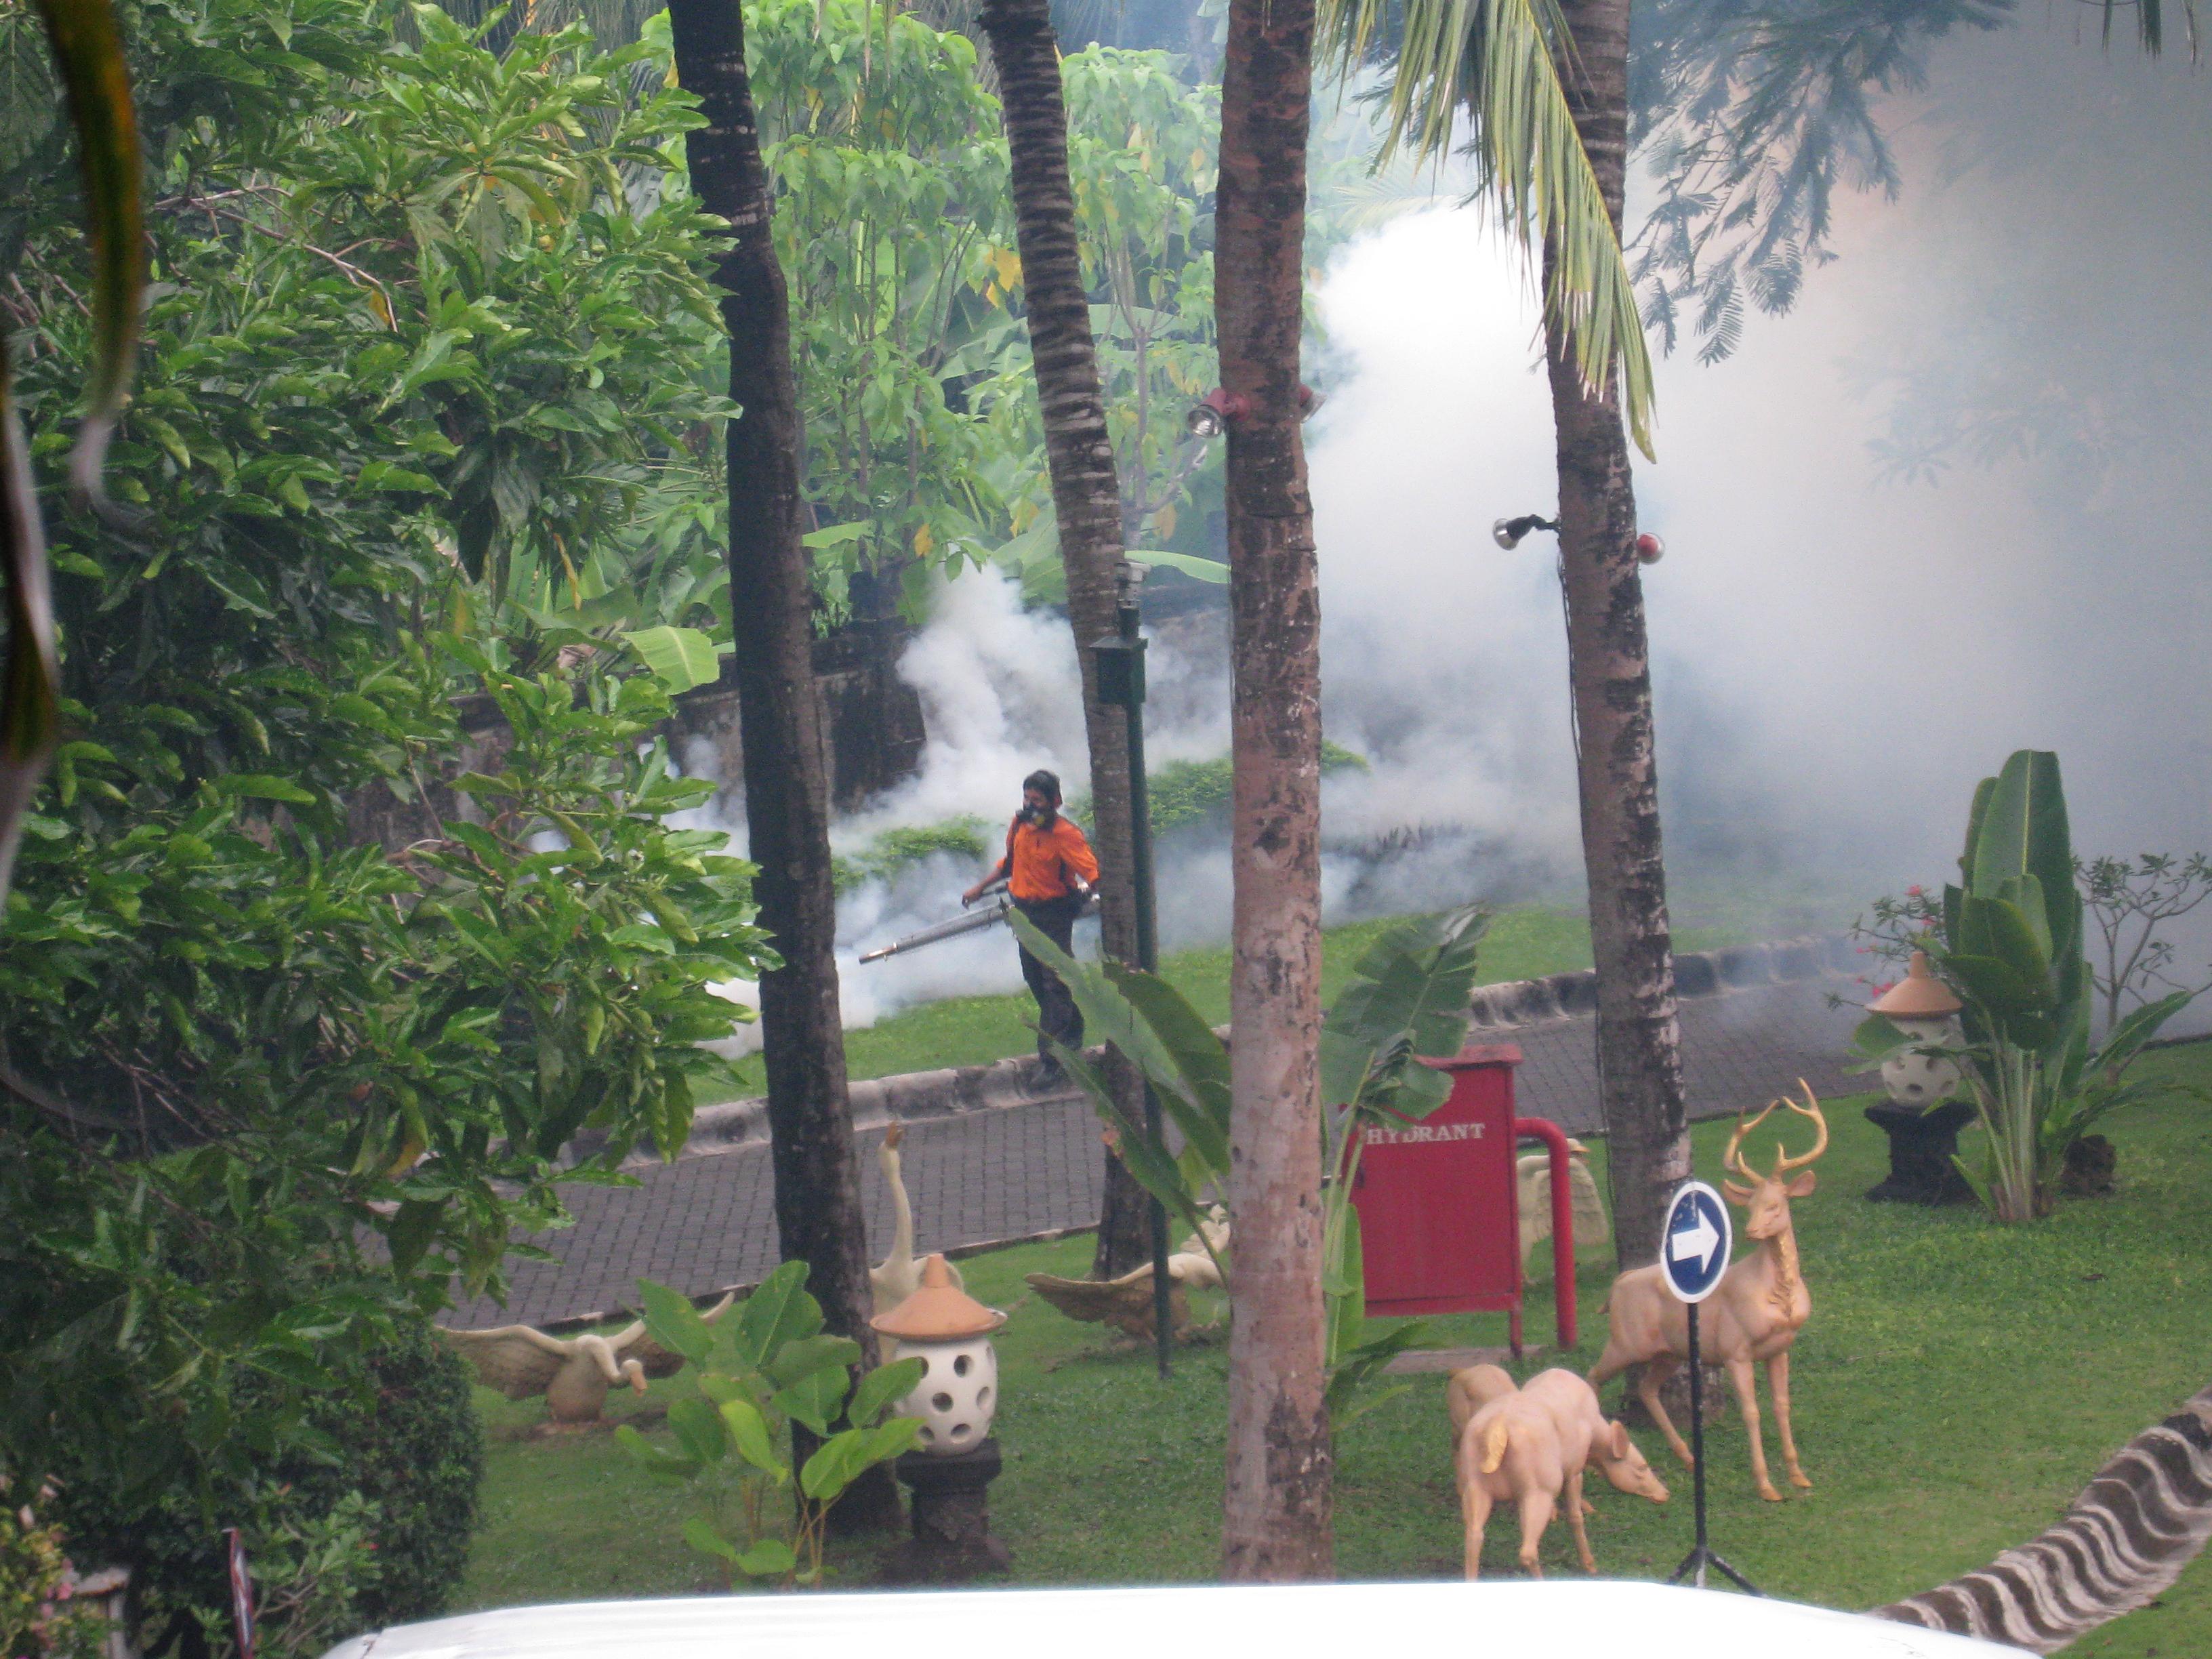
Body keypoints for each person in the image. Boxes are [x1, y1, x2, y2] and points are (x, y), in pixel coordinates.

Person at [963, 769, 1099, 1077]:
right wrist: (979, 888)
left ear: (1055, 802)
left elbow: (1092, 872)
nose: (1030, 805)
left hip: (1054, 914)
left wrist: (1102, 891)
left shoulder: (1066, 835)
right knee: (1034, 978)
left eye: (1037, 800)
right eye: (1027, 798)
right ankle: (1072, 1027)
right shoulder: (1020, 825)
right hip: (1025, 913)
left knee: (1054, 982)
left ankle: (1053, 1060)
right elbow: (1009, 864)